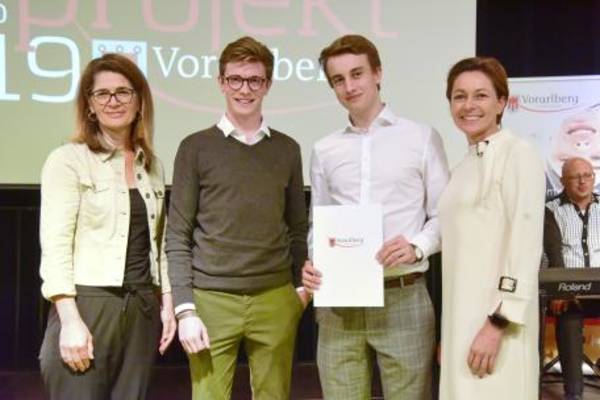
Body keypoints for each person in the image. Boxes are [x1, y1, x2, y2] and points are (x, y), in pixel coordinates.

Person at [302, 34, 450, 399]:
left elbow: (445, 217)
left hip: (403, 295)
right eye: (338, 79)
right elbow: (319, 224)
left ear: (378, 73)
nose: (349, 86)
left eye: (357, 74)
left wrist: (417, 246)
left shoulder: (421, 138)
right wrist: (315, 261)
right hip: (340, 304)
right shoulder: (325, 149)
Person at [165, 36, 309, 400]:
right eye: (235, 79)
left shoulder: (287, 149)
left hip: (276, 298)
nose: (245, 89)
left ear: (268, 84)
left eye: (255, 80)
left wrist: (299, 291)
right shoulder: (195, 148)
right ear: (221, 82)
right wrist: (185, 310)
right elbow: (178, 235)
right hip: (211, 300)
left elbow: (297, 227)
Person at [38, 53, 176, 400]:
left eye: (123, 92)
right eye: (102, 93)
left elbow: (159, 243)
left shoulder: (152, 165)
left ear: (139, 101)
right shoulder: (67, 160)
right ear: (89, 105)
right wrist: (70, 320)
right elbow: (55, 247)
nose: (113, 101)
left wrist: (168, 302)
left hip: (142, 307)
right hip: (88, 305)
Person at [438, 56, 545, 399]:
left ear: (501, 103)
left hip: (499, 325)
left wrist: (498, 322)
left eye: (480, 95)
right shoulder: (462, 167)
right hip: (461, 322)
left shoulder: (519, 153)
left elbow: (526, 245)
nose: (468, 105)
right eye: (459, 96)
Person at [544, 157, 600, 400]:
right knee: (568, 318)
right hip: (568, 292)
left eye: (587, 175)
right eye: (575, 177)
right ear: (562, 181)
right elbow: (553, 254)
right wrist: (560, 291)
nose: (582, 181)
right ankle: (574, 393)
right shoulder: (550, 210)